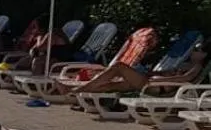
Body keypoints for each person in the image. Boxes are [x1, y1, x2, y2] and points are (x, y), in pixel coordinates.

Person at [73, 46, 206, 95]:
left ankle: (80, 89)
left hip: (157, 86)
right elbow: (167, 72)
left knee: (119, 66)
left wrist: (159, 80)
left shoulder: (197, 66)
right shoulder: (185, 63)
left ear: (204, 55)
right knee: (111, 85)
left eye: (197, 50)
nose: (193, 51)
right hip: (151, 82)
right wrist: (152, 73)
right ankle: (75, 91)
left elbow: (185, 79)